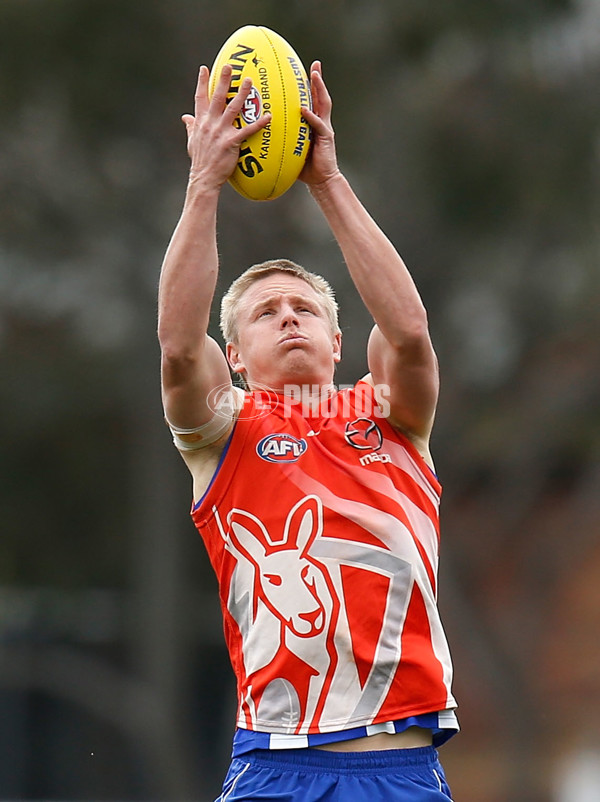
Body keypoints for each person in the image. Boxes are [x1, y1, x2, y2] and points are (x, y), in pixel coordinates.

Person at [158, 58, 458, 801]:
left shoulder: (391, 415)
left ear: (336, 341)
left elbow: (411, 330)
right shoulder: (222, 433)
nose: (288, 314)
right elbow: (176, 344)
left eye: (305, 308)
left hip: (404, 767)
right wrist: (203, 187)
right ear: (235, 355)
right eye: (265, 312)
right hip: (276, 766)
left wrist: (327, 180)